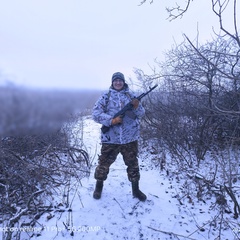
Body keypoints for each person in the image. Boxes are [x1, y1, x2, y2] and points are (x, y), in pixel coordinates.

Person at [92, 72, 147, 201]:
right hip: (111, 138)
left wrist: (137, 106)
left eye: (120, 81)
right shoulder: (106, 96)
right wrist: (111, 121)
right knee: (103, 164)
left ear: (123, 82)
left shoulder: (131, 96)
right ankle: (98, 188)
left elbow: (141, 113)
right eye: (115, 80)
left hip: (130, 138)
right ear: (112, 82)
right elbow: (95, 114)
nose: (118, 83)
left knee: (133, 164)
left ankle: (136, 190)